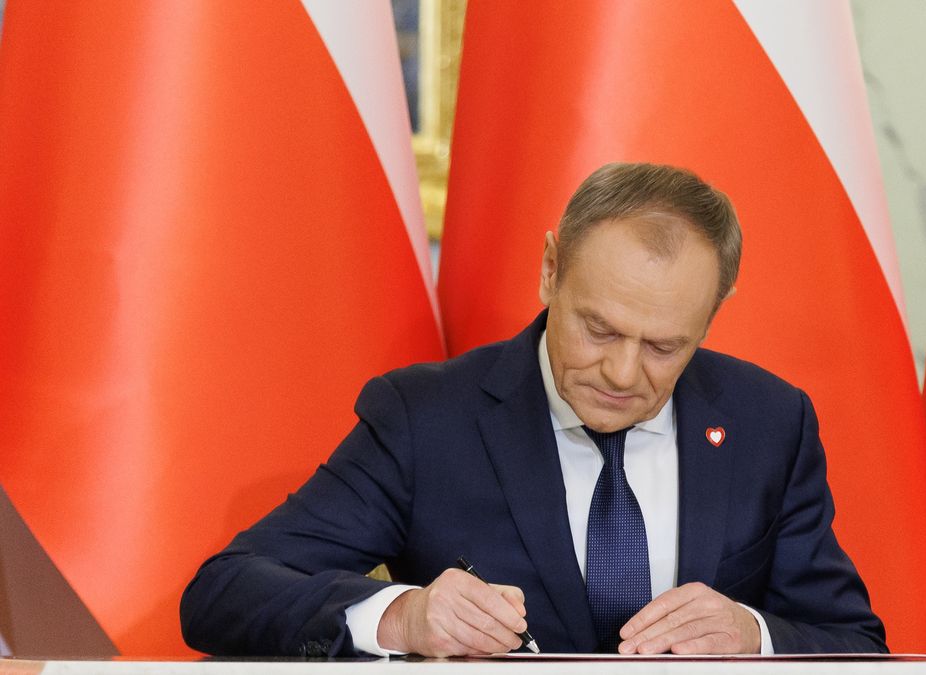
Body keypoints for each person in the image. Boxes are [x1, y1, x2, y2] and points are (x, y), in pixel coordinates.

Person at [180, 162, 887, 657]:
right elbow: (224, 590)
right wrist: (404, 616)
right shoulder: (427, 418)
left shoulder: (769, 421)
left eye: (664, 346)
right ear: (551, 268)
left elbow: (856, 644)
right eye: (598, 328)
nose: (620, 371)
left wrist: (751, 635)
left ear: (710, 319)